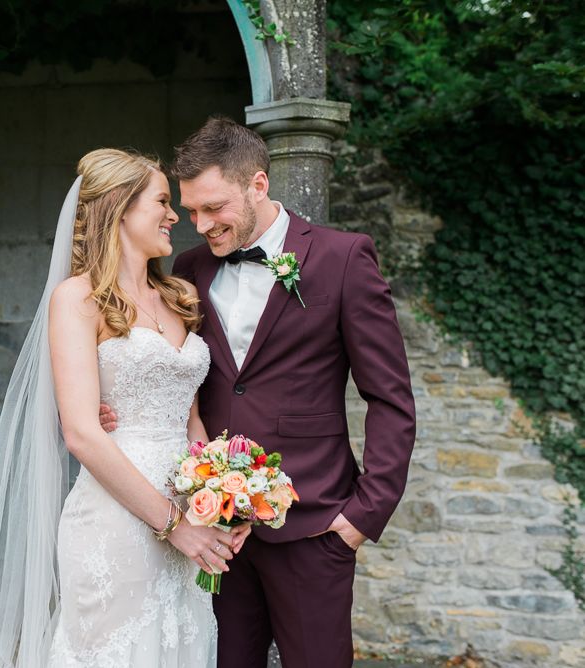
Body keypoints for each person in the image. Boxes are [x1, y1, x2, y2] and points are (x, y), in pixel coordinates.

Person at [100, 118, 417, 667]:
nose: (199, 225)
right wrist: (117, 410)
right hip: (213, 529)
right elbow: (179, 376)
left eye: (213, 208)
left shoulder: (343, 260)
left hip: (315, 524)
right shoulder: (189, 270)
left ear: (259, 185)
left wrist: (363, 516)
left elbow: (390, 397)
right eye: (191, 210)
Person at [0, 148, 250, 668]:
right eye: (164, 201)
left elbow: (190, 419)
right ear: (121, 209)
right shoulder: (78, 300)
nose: (176, 216)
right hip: (117, 520)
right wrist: (176, 525)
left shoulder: (180, 297)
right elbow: (82, 433)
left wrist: (220, 498)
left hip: (186, 517)